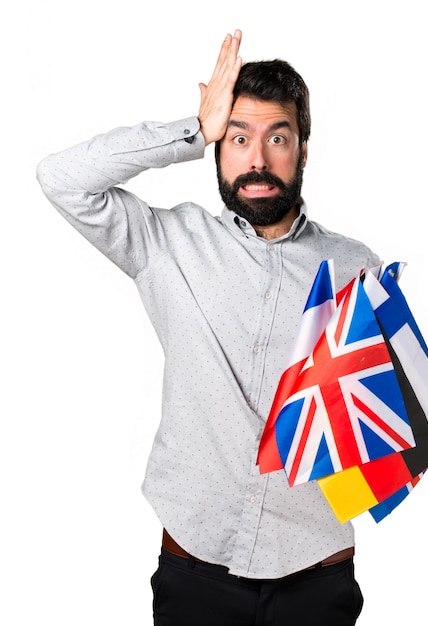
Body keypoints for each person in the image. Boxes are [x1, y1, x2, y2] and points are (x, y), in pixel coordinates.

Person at [37, 29, 380, 626]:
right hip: (197, 569)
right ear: (221, 148)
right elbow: (61, 178)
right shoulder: (166, 244)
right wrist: (193, 130)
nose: (258, 159)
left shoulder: (358, 268)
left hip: (317, 571)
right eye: (239, 138)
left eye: (278, 138)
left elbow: (377, 423)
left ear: (303, 150)